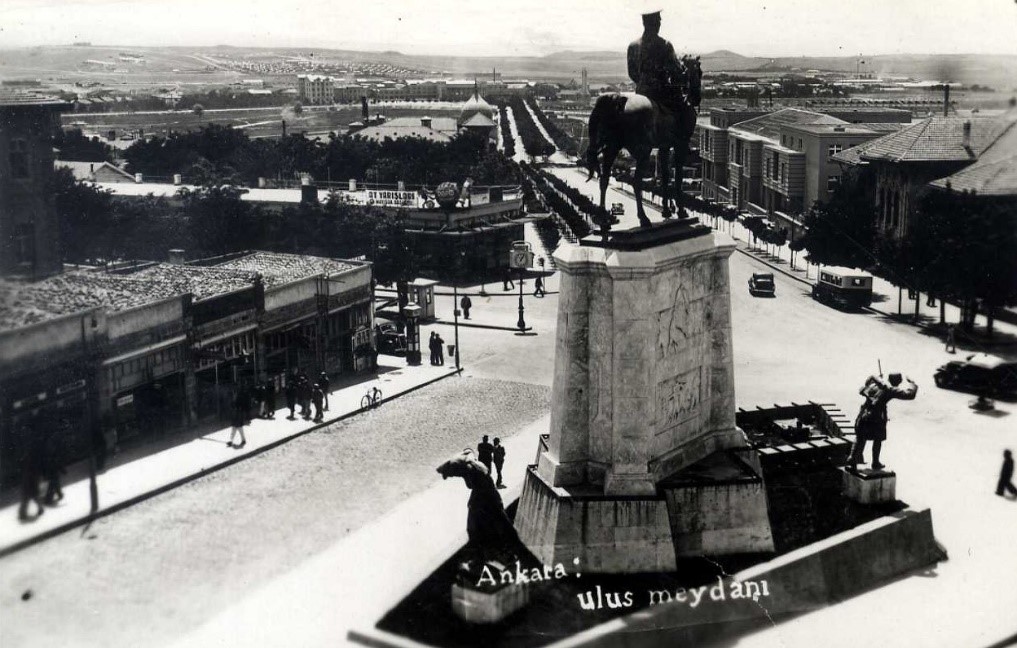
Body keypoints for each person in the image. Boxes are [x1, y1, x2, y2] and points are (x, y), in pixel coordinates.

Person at [846, 372, 918, 470]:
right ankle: (875, 462)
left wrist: (878, 380)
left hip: (863, 414)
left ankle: (852, 458)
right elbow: (909, 395)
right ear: (896, 381)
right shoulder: (890, 389)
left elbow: (863, 389)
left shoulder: (875, 384)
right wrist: (912, 383)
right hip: (876, 417)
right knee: (878, 438)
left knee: (860, 437)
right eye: (899, 381)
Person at [627, 9, 683, 114]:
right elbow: (675, 72)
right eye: (658, 20)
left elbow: (632, 73)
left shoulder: (632, 46)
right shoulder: (665, 45)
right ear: (655, 23)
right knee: (684, 114)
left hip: (640, 93)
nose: (659, 23)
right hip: (661, 96)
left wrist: (643, 83)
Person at [17, 425, 45, 521]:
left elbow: (31, 461)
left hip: (30, 474)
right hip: (30, 474)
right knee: (31, 494)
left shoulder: (29, 447)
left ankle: (23, 513)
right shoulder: (29, 446)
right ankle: (24, 512)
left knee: (29, 494)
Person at [43, 422, 66, 505]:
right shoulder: (51, 442)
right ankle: (49, 498)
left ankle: (58, 494)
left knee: (55, 481)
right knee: (54, 482)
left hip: (51, 465)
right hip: (52, 465)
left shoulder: (49, 441)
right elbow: (52, 455)